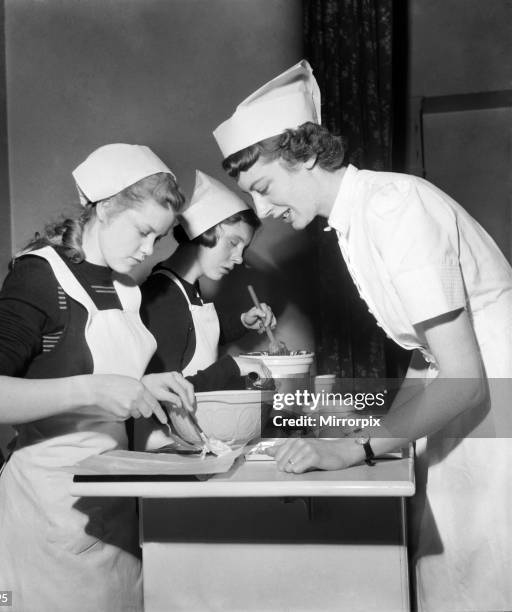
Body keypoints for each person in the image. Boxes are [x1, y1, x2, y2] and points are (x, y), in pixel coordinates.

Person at [213, 60, 512, 612]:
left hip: (498, 402)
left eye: (263, 187)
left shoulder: (395, 208)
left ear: (303, 154)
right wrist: (373, 438)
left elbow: (465, 380)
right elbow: (427, 359)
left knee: (485, 571)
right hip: (475, 404)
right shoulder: (359, 218)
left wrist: (356, 447)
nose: (261, 210)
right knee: (450, 567)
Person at [0, 143, 195, 612]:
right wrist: (95, 389)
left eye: (160, 239)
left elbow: (101, 385)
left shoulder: (124, 286)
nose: (149, 250)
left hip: (114, 509)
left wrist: (147, 392)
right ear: (104, 208)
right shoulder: (39, 276)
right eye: (143, 231)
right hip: (50, 516)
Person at [141, 169, 275, 392]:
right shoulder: (162, 297)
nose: (240, 258)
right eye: (233, 243)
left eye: (244, 248)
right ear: (204, 232)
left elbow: (192, 334)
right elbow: (167, 394)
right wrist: (232, 367)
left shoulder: (183, 285)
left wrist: (243, 321)